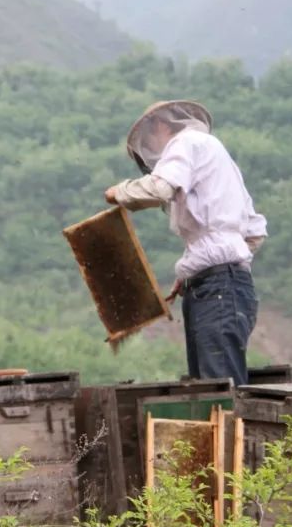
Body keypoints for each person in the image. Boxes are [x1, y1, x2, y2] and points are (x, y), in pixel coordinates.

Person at [105, 100, 267, 385]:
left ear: (161, 125)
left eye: (148, 140)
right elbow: (254, 231)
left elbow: (160, 188)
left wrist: (120, 191)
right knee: (210, 390)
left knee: (219, 392)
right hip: (225, 287)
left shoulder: (186, 142)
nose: (151, 149)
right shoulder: (217, 157)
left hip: (218, 291)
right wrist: (201, 267)